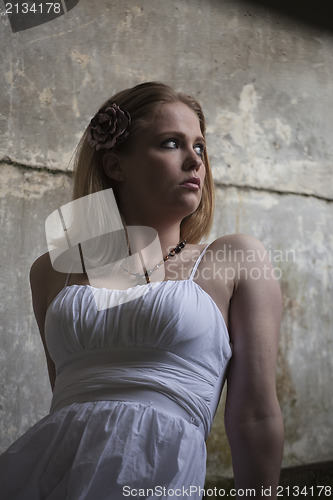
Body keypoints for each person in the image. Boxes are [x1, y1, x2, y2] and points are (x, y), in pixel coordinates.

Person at [0, 82, 283, 499]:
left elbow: (254, 417)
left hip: (156, 476)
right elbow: (67, 400)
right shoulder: (50, 271)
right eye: (172, 143)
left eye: (200, 148)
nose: (195, 162)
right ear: (115, 165)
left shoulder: (235, 257)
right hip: (44, 475)